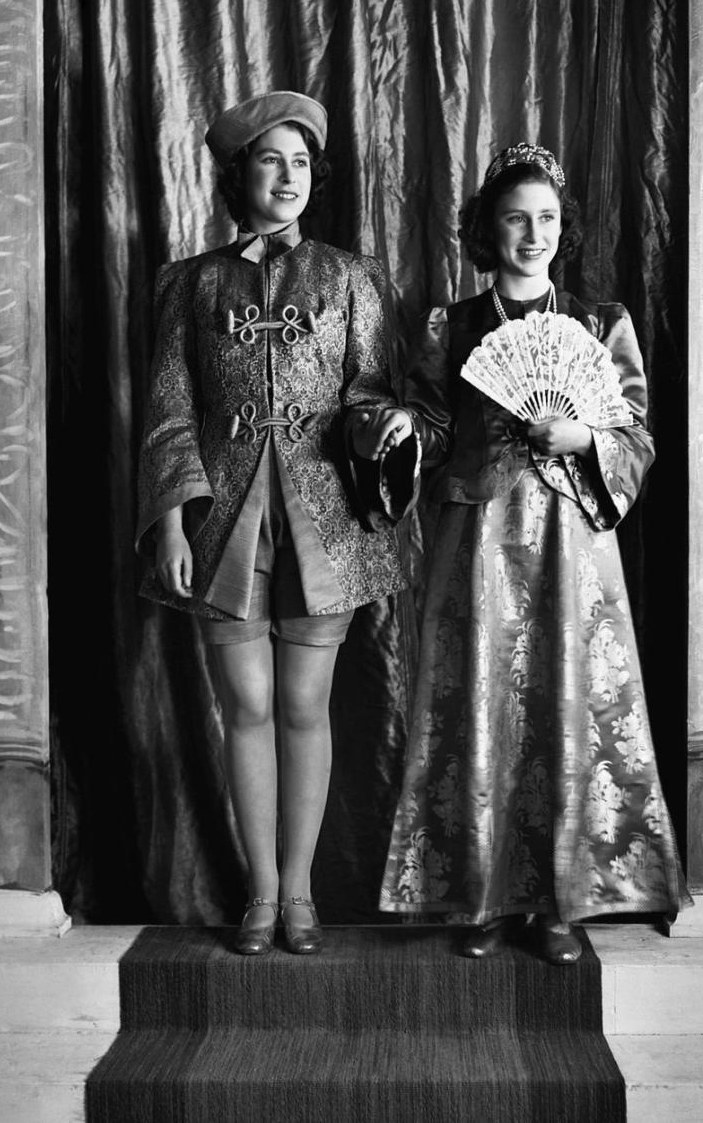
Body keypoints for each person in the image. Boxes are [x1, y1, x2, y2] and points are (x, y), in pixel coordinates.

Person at [377, 142, 690, 963]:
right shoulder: (451, 324)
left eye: (547, 219)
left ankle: (563, 902)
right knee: (478, 703)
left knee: (566, 703)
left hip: (572, 544)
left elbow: (637, 437)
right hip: (476, 540)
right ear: (488, 228)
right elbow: (436, 424)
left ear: (564, 228)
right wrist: (410, 429)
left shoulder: (600, 324)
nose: (533, 234)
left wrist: (583, 431)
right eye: (516, 218)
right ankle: (476, 896)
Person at [136, 91, 414, 956]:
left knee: (303, 702)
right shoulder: (189, 284)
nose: (287, 176)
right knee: (245, 703)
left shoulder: (352, 277)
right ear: (237, 173)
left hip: (325, 518)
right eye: (269, 159)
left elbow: (373, 387)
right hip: (224, 522)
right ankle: (258, 894)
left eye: (300, 162)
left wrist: (385, 423)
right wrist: (172, 523)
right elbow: (168, 413)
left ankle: (299, 895)